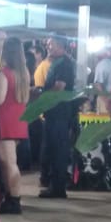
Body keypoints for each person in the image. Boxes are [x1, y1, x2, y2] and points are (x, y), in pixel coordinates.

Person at [0, 36, 30, 214]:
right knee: (10, 162)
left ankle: (14, 199)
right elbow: (26, 98)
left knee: (8, 163)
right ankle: (12, 197)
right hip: (19, 120)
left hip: (4, 121)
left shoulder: (4, 73)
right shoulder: (24, 73)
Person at [39, 34, 76, 199]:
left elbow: (59, 87)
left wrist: (42, 95)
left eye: (51, 44)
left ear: (60, 46)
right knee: (52, 150)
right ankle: (54, 185)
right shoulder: (56, 63)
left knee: (58, 150)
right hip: (53, 113)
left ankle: (58, 188)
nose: (48, 47)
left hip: (60, 113)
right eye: (47, 44)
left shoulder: (65, 64)